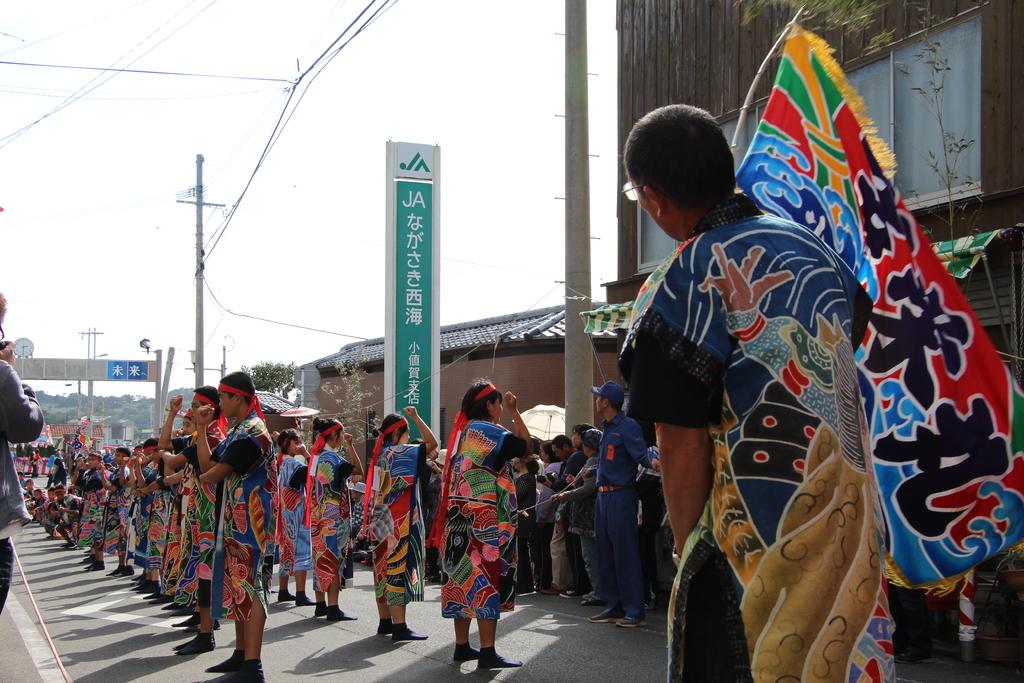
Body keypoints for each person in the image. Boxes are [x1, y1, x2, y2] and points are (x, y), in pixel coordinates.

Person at [619, 104, 891, 680]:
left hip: (751, 547)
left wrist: (689, 548)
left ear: (651, 198)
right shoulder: (820, 254)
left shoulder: (683, 277)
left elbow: (679, 437)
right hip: (855, 525)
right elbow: (850, 342)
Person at [431, 380, 531, 669]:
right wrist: (515, 411)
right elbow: (526, 447)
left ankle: (462, 646)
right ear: (489, 405)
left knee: (461, 577)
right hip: (483, 520)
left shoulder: (462, 434)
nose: (500, 407)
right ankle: (487, 650)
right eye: (498, 403)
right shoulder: (488, 431)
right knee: (486, 578)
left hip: (457, 518)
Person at [198, 371, 277, 682]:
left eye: (222, 397)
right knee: (240, 584)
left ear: (238, 398)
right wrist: (203, 428)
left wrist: (200, 476)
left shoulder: (253, 433)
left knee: (252, 585)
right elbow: (207, 466)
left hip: (253, 523)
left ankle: (252, 665)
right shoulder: (237, 431)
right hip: (237, 520)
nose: (218, 403)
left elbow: (212, 474)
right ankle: (241, 654)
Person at [586, 381, 657, 629]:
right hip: (603, 497)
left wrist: (654, 462)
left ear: (606, 402)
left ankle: (634, 610)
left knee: (625, 553)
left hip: (621, 496)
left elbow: (642, 455)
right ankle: (613, 605)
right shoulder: (607, 428)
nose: (596, 400)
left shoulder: (628, 426)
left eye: (598, 397)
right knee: (605, 553)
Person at [364, 406, 437, 641]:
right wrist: (416, 417)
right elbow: (432, 443)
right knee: (397, 569)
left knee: (382, 570)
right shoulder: (400, 452)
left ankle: (385, 621)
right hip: (398, 520)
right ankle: (400, 625)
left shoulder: (380, 456)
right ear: (399, 434)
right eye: (406, 432)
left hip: (380, 518)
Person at [163, 388, 227, 655]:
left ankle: (206, 631)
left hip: (211, 515)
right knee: (199, 569)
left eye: (197, 405)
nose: (191, 410)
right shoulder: (199, 435)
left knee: (206, 572)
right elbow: (164, 445)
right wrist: (172, 414)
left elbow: (178, 458)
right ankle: (203, 626)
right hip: (198, 515)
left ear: (211, 409)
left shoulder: (214, 437)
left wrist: (166, 460)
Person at [302, 417, 361, 623]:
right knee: (334, 559)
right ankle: (333, 607)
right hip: (334, 518)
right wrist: (352, 446)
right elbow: (357, 470)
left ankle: (321, 604)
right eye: (341, 435)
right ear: (334, 436)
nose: (342, 439)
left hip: (318, 515)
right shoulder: (333, 459)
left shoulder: (316, 458)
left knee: (320, 558)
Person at [551, 428, 603, 607]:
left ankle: (599, 591)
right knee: (589, 555)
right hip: (584, 516)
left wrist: (564, 495)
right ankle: (596, 590)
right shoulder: (591, 460)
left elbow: (588, 488)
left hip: (587, 517)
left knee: (591, 556)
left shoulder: (594, 461)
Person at [275, 429, 313, 606]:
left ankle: (283, 590)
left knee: (286, 549)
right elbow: (314, 472)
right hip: (297, 512)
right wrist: (306, 453)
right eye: (296, 441)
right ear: (287, 443)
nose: (299, 444)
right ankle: (300, 593)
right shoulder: (294, 465)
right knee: (301, 549)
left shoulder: (281, 463)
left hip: (284, 512)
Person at [78, 452, 109, 571]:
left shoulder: (101, 473)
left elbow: (94, 486)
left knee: (97, 534)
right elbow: (81, 485)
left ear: (99, 461)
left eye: (92, 460)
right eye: (89, 460)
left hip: (97, 506)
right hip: (90, 505)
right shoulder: (90, 473)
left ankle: (100, 560)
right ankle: (96, 559)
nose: (89, 462)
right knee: (92, 533)